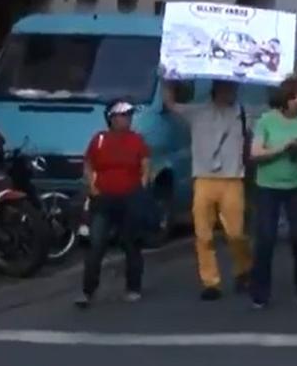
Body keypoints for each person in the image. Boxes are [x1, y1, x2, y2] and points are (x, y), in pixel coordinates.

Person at [162, 80, 252, 299]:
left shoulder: (243, 112)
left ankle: (243, 269)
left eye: (234, 89)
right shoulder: (197, 112)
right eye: (228, 89)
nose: (232, 92)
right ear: (217, 90)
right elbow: (171, 105)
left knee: (236, 233)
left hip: (232, 178)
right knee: (203, 234)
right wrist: (169, 78)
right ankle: (210, 282)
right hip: (204, 178)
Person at [248, 77, 297, 309]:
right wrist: (284, 147)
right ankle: (260, 293)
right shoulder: (266, 120)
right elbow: (256, 153)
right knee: (266, 238)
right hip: (268, 186)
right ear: (284, 98)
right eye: (293, 97)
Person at [78, 99, 150, 307]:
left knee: (131, 243)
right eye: (121, 115)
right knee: (97, 244)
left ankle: (133, 287)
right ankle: (88, 291)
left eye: (128, 115)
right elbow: (89, 164)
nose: (125, 119)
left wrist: (141, 187)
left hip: (130, 197)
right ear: (111, 118)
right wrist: (93, 187)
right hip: (103, 198)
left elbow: (145, 164)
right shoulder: (99, 139)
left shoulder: (137, 140)